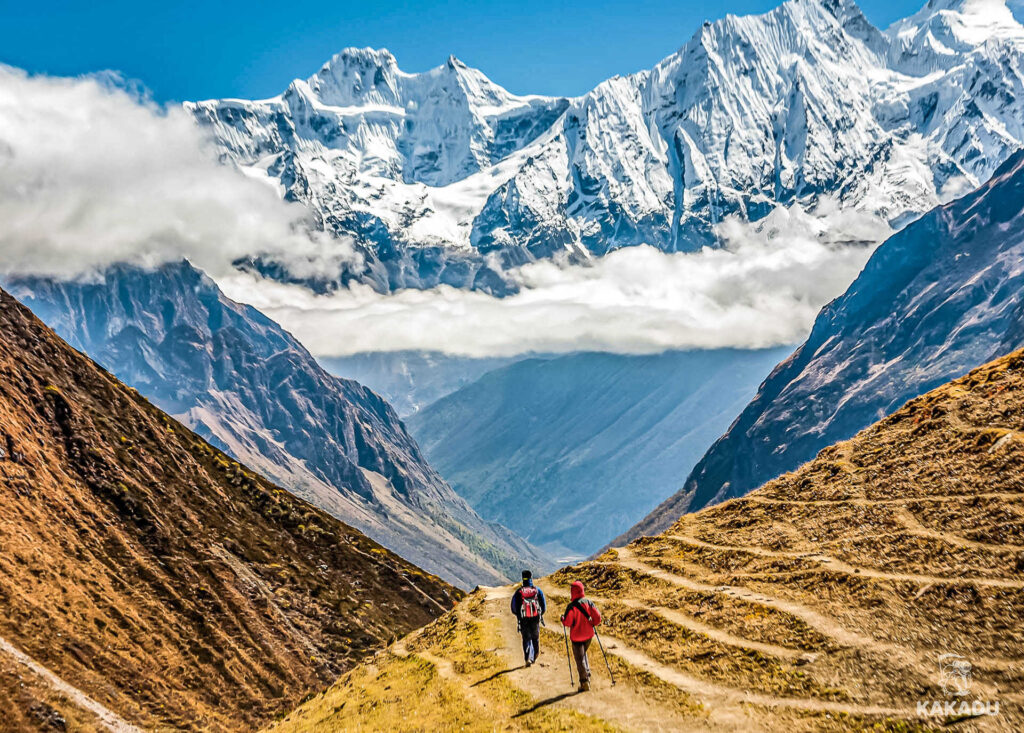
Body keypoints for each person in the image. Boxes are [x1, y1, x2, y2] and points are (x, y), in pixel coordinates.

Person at [561, 581, 602, 691]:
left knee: (580, 660)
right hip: (589, 635)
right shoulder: (589, 603)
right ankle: (587, 673)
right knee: (583, 655)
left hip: (576, 637)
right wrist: (592, 623)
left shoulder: (571, 607)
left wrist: (563, 620)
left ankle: (584, 682)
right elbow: (598, 618)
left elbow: (568, 623)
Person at [510, 570, 546, 666]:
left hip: (523, 619)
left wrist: (519, 615)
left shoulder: (518, 592)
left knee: (526, 638)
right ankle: (535, 655)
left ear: (523, 578)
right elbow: (543, 606)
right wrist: (540, 614)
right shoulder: (537, 590)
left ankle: (528, 658)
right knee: (535, 637)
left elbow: (513, 608)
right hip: (535, 618)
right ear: (531, 577)